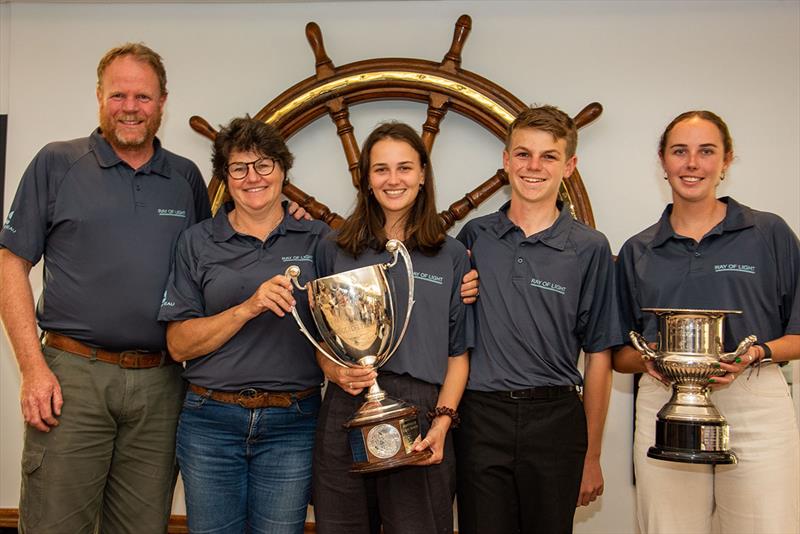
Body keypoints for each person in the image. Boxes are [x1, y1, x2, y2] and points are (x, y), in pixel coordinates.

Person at [0, 43, 211, 533]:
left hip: (162, 385)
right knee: (55, 523)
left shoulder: (185, 178)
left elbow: (214, 261)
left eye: (143, 96)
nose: (131, 108)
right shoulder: (57, 163)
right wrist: (33, 370)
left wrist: (286, 218)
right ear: (99, 96)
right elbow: (11, 264)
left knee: (142, 526)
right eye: (119, 95)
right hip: (72, 379)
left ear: (162, 102)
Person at [613, 110, 800, 533]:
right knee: (668, 527)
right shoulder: (638, 250)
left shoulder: (768, 233)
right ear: (663, 161)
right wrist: (650, 363)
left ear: (726, 160)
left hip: (756, 400)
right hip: (665, 399)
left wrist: (757, 353)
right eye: (680, 151)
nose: (692, 163)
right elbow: (618, 352)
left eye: (706, 151)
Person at [158, 117, 329, 534]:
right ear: (225, 177)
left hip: (293, 423)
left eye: (265, 164)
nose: (253, 177)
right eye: (239, 167)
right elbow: (178, 345)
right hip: (210, 421)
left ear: (284, 170)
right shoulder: (197, 241)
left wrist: (459, 270)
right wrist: (247, 307)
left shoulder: (318, 239)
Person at [454, 105, 619, 534]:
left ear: (569, 166)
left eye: (549, 156)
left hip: (556, 420)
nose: (533, 166)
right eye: (523, 154)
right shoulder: (474, 236)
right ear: (506, 160)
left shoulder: (590, 248)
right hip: (480, 418)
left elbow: (599, 354)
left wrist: (592, 455)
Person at [311, 122, 471, 534]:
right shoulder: (334, 248)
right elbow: (321, 340)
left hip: (423, 411)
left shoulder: (451, 255)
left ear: (422, 174)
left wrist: (441, 424)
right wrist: (334, 371)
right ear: (366, 179)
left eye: (404, 168)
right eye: (381, 169)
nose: (393, 179)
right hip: (346, 404)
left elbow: (458, 353)